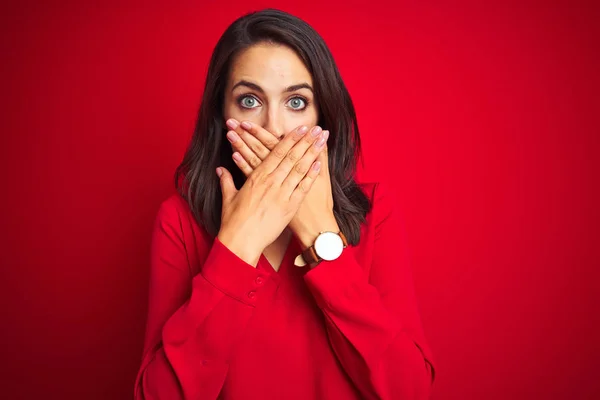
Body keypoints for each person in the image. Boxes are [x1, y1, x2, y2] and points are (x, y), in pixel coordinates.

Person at [134, 8, 435, 400]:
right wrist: (238, 244)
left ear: (323, 115)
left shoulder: (375, 211)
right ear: (221, 115)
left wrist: (320, 235)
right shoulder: (179, 221)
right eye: (249, 100)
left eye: (295, 102)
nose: (274, 128)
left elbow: (409, 390)